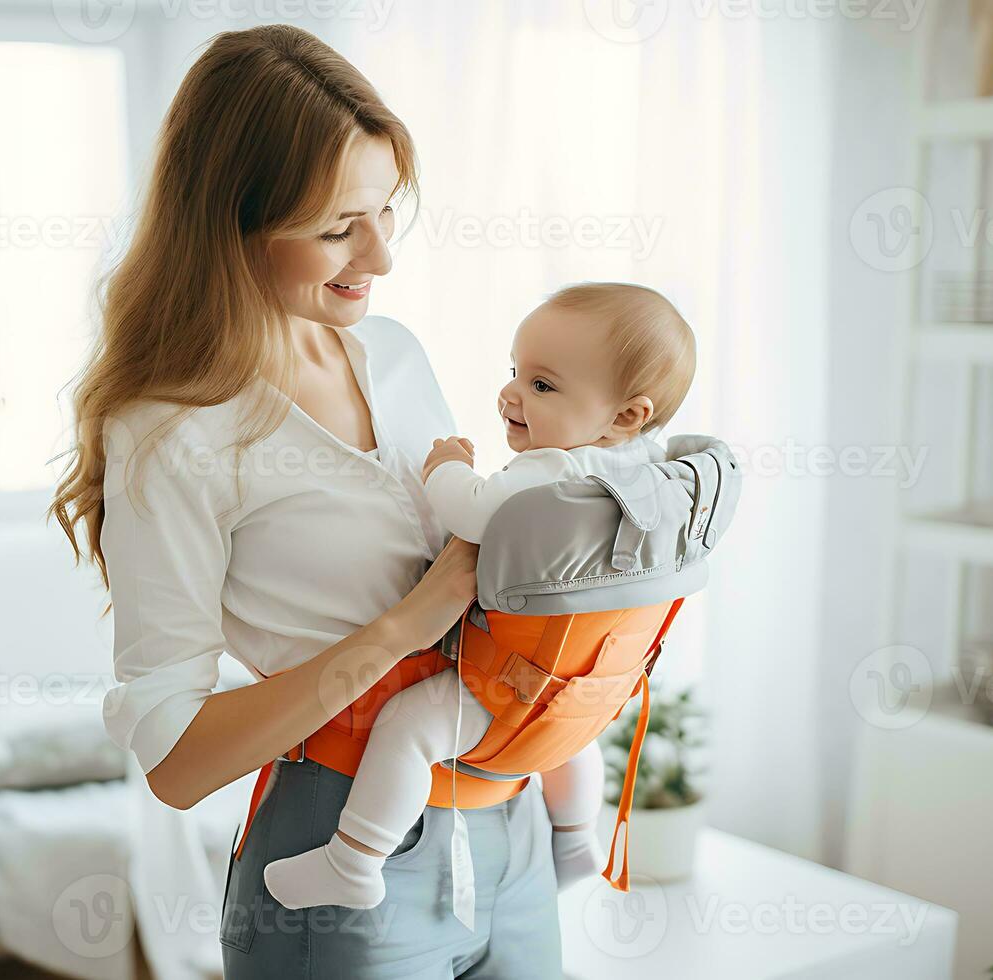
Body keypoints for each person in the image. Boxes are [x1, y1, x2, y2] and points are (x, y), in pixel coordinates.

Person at [51, 24, 562, 978]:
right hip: (336, 854)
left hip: (507, 826)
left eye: (383, 212)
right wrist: (403, 628)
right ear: (228, 228)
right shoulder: (173, 433)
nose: (379, 254)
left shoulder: (396, 354)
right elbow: (177, 762)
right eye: (337, 229)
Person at [262, 282, 696, 912]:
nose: (512, 394)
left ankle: (354, 860)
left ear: (626, 415)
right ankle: (576, 838)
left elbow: (472, 512)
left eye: (543, 386)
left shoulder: (553, 472)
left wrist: (443, 465)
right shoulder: (652, 473)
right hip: (581, 685)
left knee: (408, 727)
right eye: (515, 372)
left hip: (502, 684)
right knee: (572, 739)